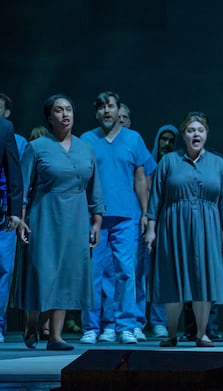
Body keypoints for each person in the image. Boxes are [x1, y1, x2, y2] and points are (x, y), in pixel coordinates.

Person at [16, 95, 104, 350]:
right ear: (49, 117)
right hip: (45, 214)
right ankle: (33, 321)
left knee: (67, 273)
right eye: (59, 110)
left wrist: (97, 221)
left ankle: (55, 336)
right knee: (42, 270)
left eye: (69, 109)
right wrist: (21, 220)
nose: (65, 114)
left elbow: (94, 188)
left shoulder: (86, 148)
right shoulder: (37, 147)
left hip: (76, 216)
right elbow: (22, 187)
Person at [144, 112, 223, 348]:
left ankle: (202, 333)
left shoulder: (218, 163)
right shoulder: (168, 162)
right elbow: (156, 197)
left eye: (200, 130)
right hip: (174, 226)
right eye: (191, 130)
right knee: (173, 277)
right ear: (184, 135)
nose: (196, 134)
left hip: (208, 227)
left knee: (203, 279)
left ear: (206, 134)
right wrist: (151, 229)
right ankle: (172, 332)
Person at [80, 92, 154, 345]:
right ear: (96, 112)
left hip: (126, 216)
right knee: (93, 273)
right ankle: (93, 325)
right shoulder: (87, 140)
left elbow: (141, 178)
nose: (106, 111)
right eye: (101, 107)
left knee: (126, 271)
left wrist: (145, 213)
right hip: (95, 216)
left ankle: (125, 325)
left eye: (110, 106)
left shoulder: (133, 139)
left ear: (117, 109)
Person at [139, 124, 179, 338]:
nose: (167, 144)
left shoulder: (177, 165)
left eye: (171, 140)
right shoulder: (148, 163)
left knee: (163, 274)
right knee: (142, 272)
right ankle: (138, 319)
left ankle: (159, 319)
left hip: (169, 223)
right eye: (163, 139)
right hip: (148, 222)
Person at [0, 94, 26, 344]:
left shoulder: (5, 128)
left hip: (2, 209)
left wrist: (15, 211)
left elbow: (13, 170)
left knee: (3, 268)